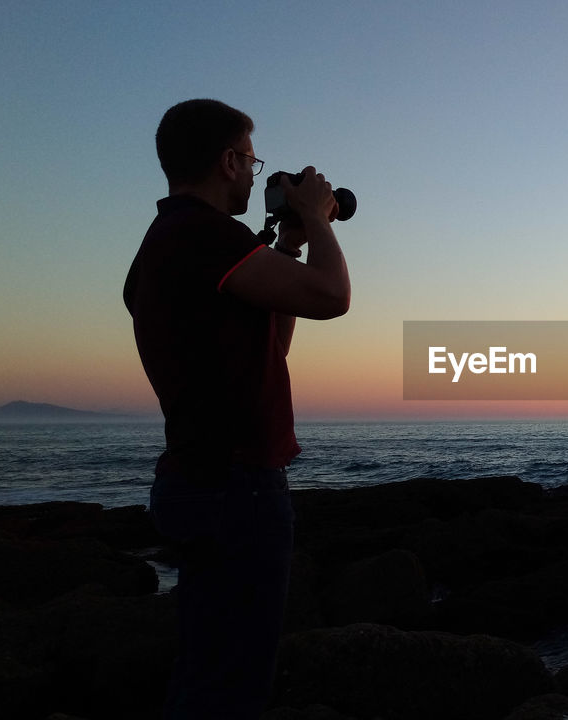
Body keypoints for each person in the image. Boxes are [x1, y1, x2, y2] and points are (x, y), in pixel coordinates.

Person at [123, 98, 351, 719]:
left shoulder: (167, 242)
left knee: (209, 669)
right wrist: (317, 218)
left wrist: (293, 245)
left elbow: (273, 346)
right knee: (232, 687)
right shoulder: (202, 237)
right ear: (228, 161)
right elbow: (334, 298)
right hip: (235, 488)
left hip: (203, 479)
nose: (256, 175)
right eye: (252, 160)